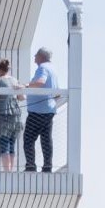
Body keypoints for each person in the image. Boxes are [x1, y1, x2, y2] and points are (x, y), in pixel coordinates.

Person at [22, 46, 61, 174]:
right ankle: (47, 167)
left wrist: (26, 85)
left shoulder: (43, 68)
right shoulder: (53, 70)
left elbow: (40, 82)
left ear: (41, 56)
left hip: (38, 111)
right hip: (49, 110)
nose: (34, 58)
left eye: (36, 55)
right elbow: (57, 93)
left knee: (28, 139)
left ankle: (30, 166)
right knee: (46, 140)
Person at [0, 57, 23, 172]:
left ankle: (6, 172)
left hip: (3, 115)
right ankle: (10, 171)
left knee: (4, 145)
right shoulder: (14, 80)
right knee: (12, 145)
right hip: (16, 116)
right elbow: (21, 97)